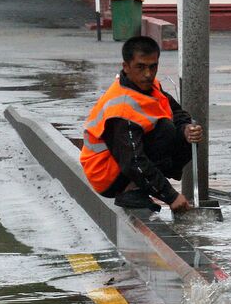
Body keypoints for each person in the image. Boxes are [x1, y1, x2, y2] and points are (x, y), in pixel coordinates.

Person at [80, 36, 202, 214]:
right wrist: (170, 196)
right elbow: (133, 161)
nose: (148, 74)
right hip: (107, 175)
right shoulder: (121, 108)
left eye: (153, 67)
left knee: (183, 132)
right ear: (126, 67)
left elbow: (176, 112)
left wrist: (186, 130)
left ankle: (141, 186)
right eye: (141, 67)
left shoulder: (151, 86)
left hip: (123, 161)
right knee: (165, 130)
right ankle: (131, 191)